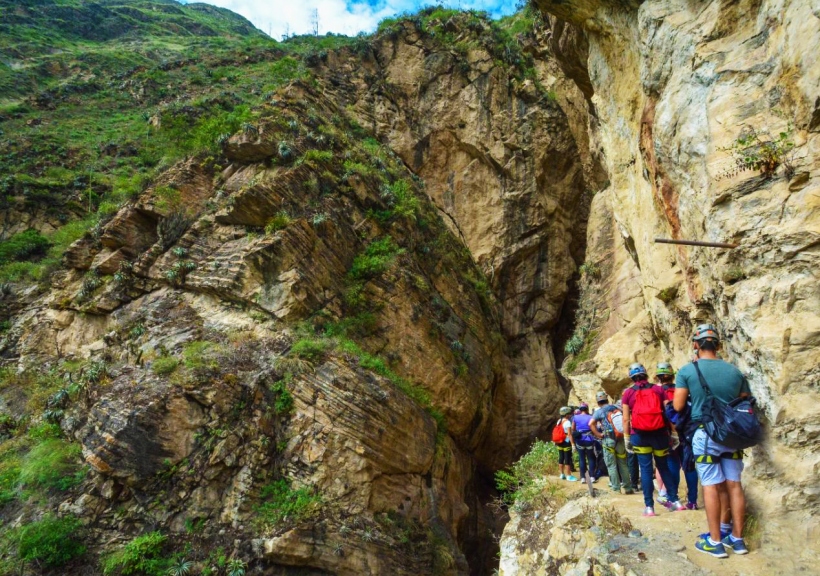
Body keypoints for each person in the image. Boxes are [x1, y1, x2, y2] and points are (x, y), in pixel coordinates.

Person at [674, 324, 751, 558]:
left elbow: (678, 406)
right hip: (732, 434)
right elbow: (745, 399)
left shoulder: (687, 371)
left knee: (710, 485)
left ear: (696, 345)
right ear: (718, 345)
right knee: (734, 485)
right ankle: (737, 540)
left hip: (704, 432)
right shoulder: (735, 372)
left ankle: (715, 541)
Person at [622, 362, 685, 516]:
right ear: (646, 374)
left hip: (639, 436)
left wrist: (626, 438)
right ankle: (675, 501)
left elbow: (625, 419)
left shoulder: (628, 393)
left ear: (631, 377)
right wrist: (674, 433)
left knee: (645, 469)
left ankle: (649, 507)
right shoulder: (658, 390)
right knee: (663, 467)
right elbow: (668, 413)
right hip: (660, 435)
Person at [656, 361, 699, 510]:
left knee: (673, 465)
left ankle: (673, 498)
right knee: (689, 465)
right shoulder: (682, 389)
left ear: (658, 377)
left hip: (668, 434)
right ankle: (692, 501)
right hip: (687, 432)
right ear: (672, 375)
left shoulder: (657, 392)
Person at [590, 392, 634, 494]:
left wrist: (598, 434)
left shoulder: (599, 411)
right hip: (620, 438)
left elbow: (591, 423)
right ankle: (628, 488)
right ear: (607, 400)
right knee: (623, 464)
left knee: (611, 465)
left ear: (598, 402)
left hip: (608, 440)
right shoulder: (616, 408)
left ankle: (616, 488)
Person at [571, 403, 598, 483]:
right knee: (590, 458)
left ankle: (582, 477)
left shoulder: (575, 417)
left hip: (580, 440)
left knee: (582, 458)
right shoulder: (591, 417)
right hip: (589, 439)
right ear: (587, 409)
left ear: (580, 409)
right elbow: (594, 427)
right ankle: (592, 476)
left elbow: (573, 429)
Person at [554, 406, 578, 481]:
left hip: (559, 442)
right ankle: (568, 475)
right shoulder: (567, 422)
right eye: (569, 413)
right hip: (566, 442)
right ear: (566, 414)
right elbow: (569, 434)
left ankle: (562, 474)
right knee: (567, 459)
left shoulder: (559, 421)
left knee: (561, 458)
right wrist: (573, 444)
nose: (570, 415)